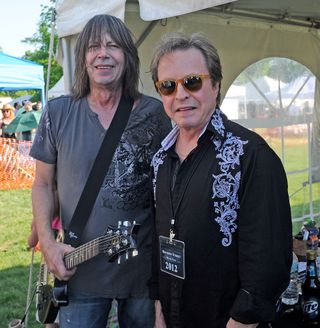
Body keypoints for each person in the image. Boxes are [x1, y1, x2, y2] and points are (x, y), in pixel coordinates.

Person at [30, 14, 171, 328]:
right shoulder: (58, 112)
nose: (102, 53)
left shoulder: (158, 113)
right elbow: (42, 183)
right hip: (80, 273)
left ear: (128, 57)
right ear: (82, 58)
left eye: (113, 46)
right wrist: (48, 243)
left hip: (143, 276)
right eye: (93, 46)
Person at [149, 32, 292, 328]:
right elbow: (158, 234)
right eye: (167, 86)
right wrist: (159, 309)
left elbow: (268, 260)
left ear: (215, 84)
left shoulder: (251, 155)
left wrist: (241, 321)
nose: (181, 95)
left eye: (192, 81)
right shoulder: (160, 158)